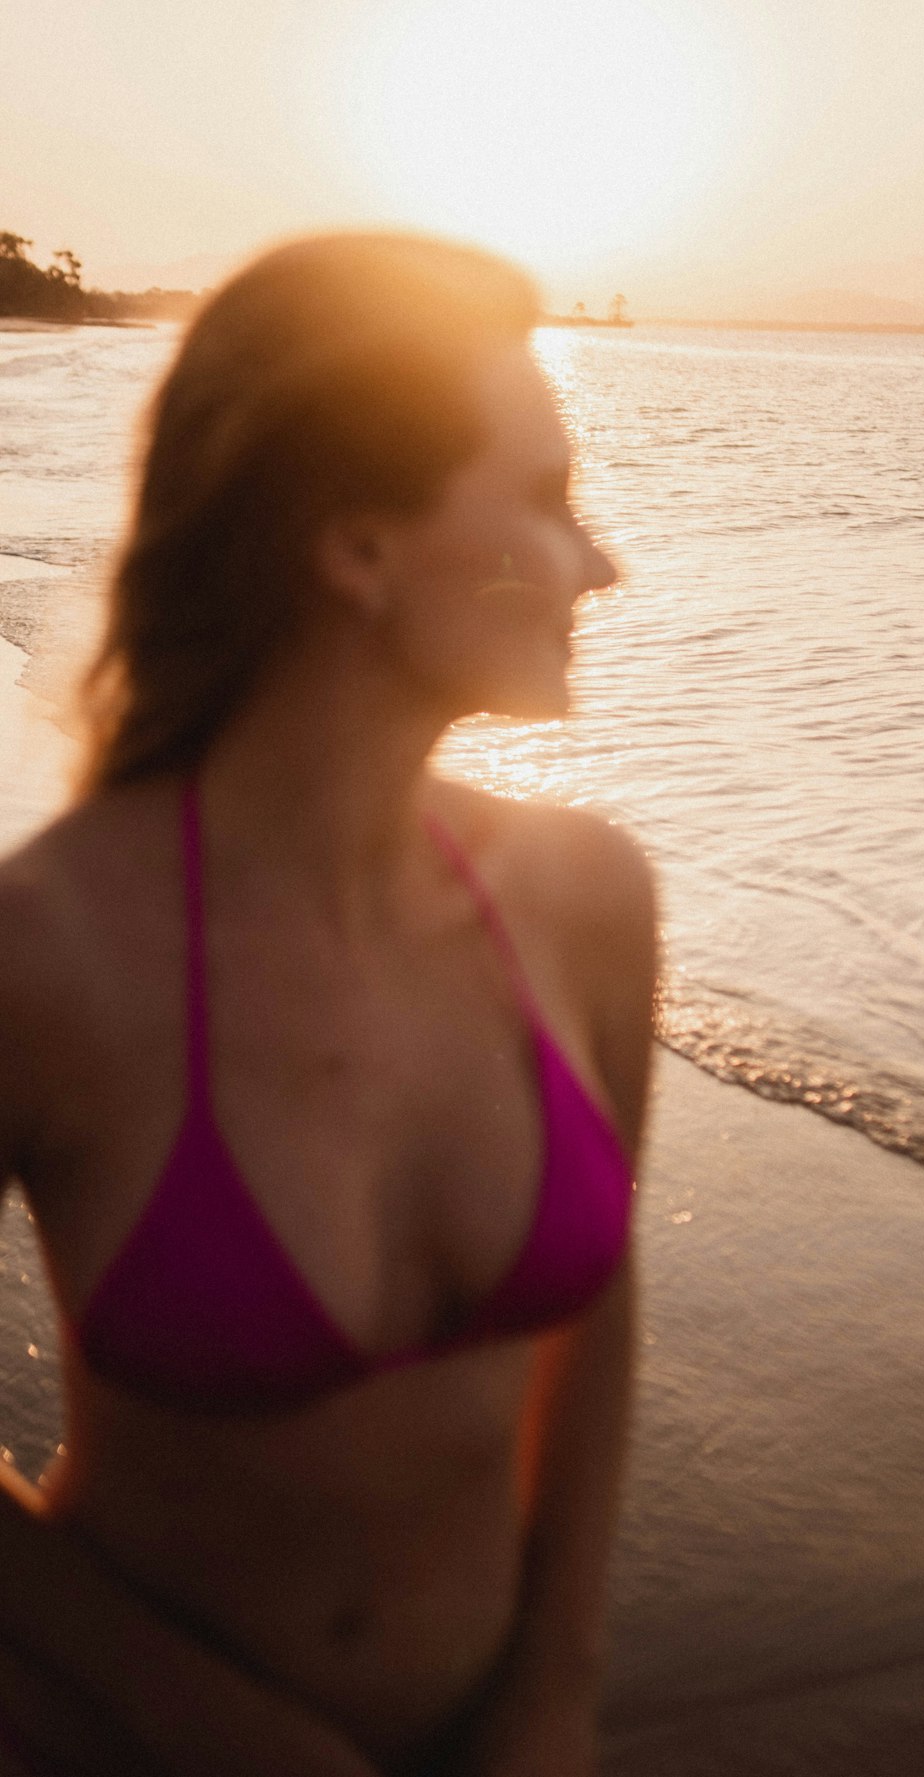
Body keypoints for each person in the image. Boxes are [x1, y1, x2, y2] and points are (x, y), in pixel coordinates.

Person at [0, 233, 656, 1776]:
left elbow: (600, 1304)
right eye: (548, 503)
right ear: (357, 549)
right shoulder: (49, 956)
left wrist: (561, 1686)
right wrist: (200, 1718)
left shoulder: (586, 901)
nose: (602, 564)